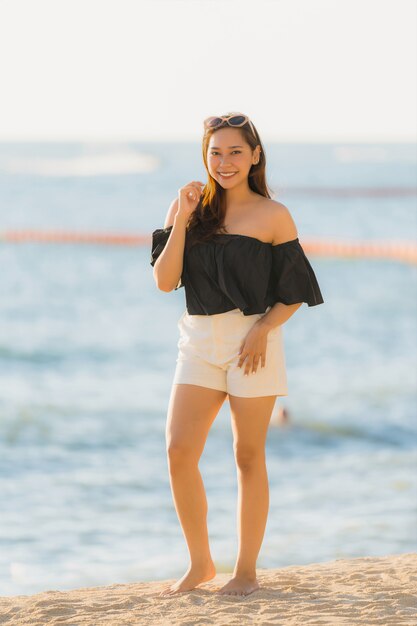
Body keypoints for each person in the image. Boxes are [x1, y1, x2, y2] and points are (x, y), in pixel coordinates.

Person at [150, 112, 324, 598]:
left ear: (254, 156)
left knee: (247, 455)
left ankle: (246, 571)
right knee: (178, 451)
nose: (224, 162)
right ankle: (200, 562)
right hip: (198, 342)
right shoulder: (188, 208)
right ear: (204, 156)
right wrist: (182, 218)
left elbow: (295, 291)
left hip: (253, 343)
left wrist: (263, 330)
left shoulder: (274, 215)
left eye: (234, 152)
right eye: (215, 152)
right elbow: (165, 281)